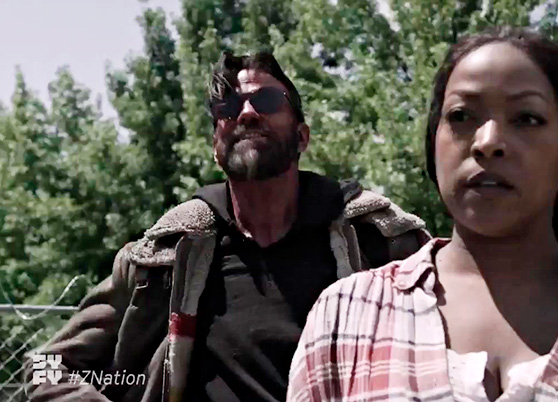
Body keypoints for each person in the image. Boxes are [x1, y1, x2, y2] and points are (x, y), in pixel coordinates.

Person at [287, 28, 558, 401]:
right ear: (434, 142)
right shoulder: (347, 316)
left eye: (526, 118)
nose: (488, 142)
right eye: (462, 116)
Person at [24, 52, 430, 402]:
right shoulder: (165, 259)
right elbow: (44, 366)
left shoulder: (378, 242)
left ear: (302, 136)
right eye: (228, 108)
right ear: (216, 149)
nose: (247, 114)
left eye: (266, 100)